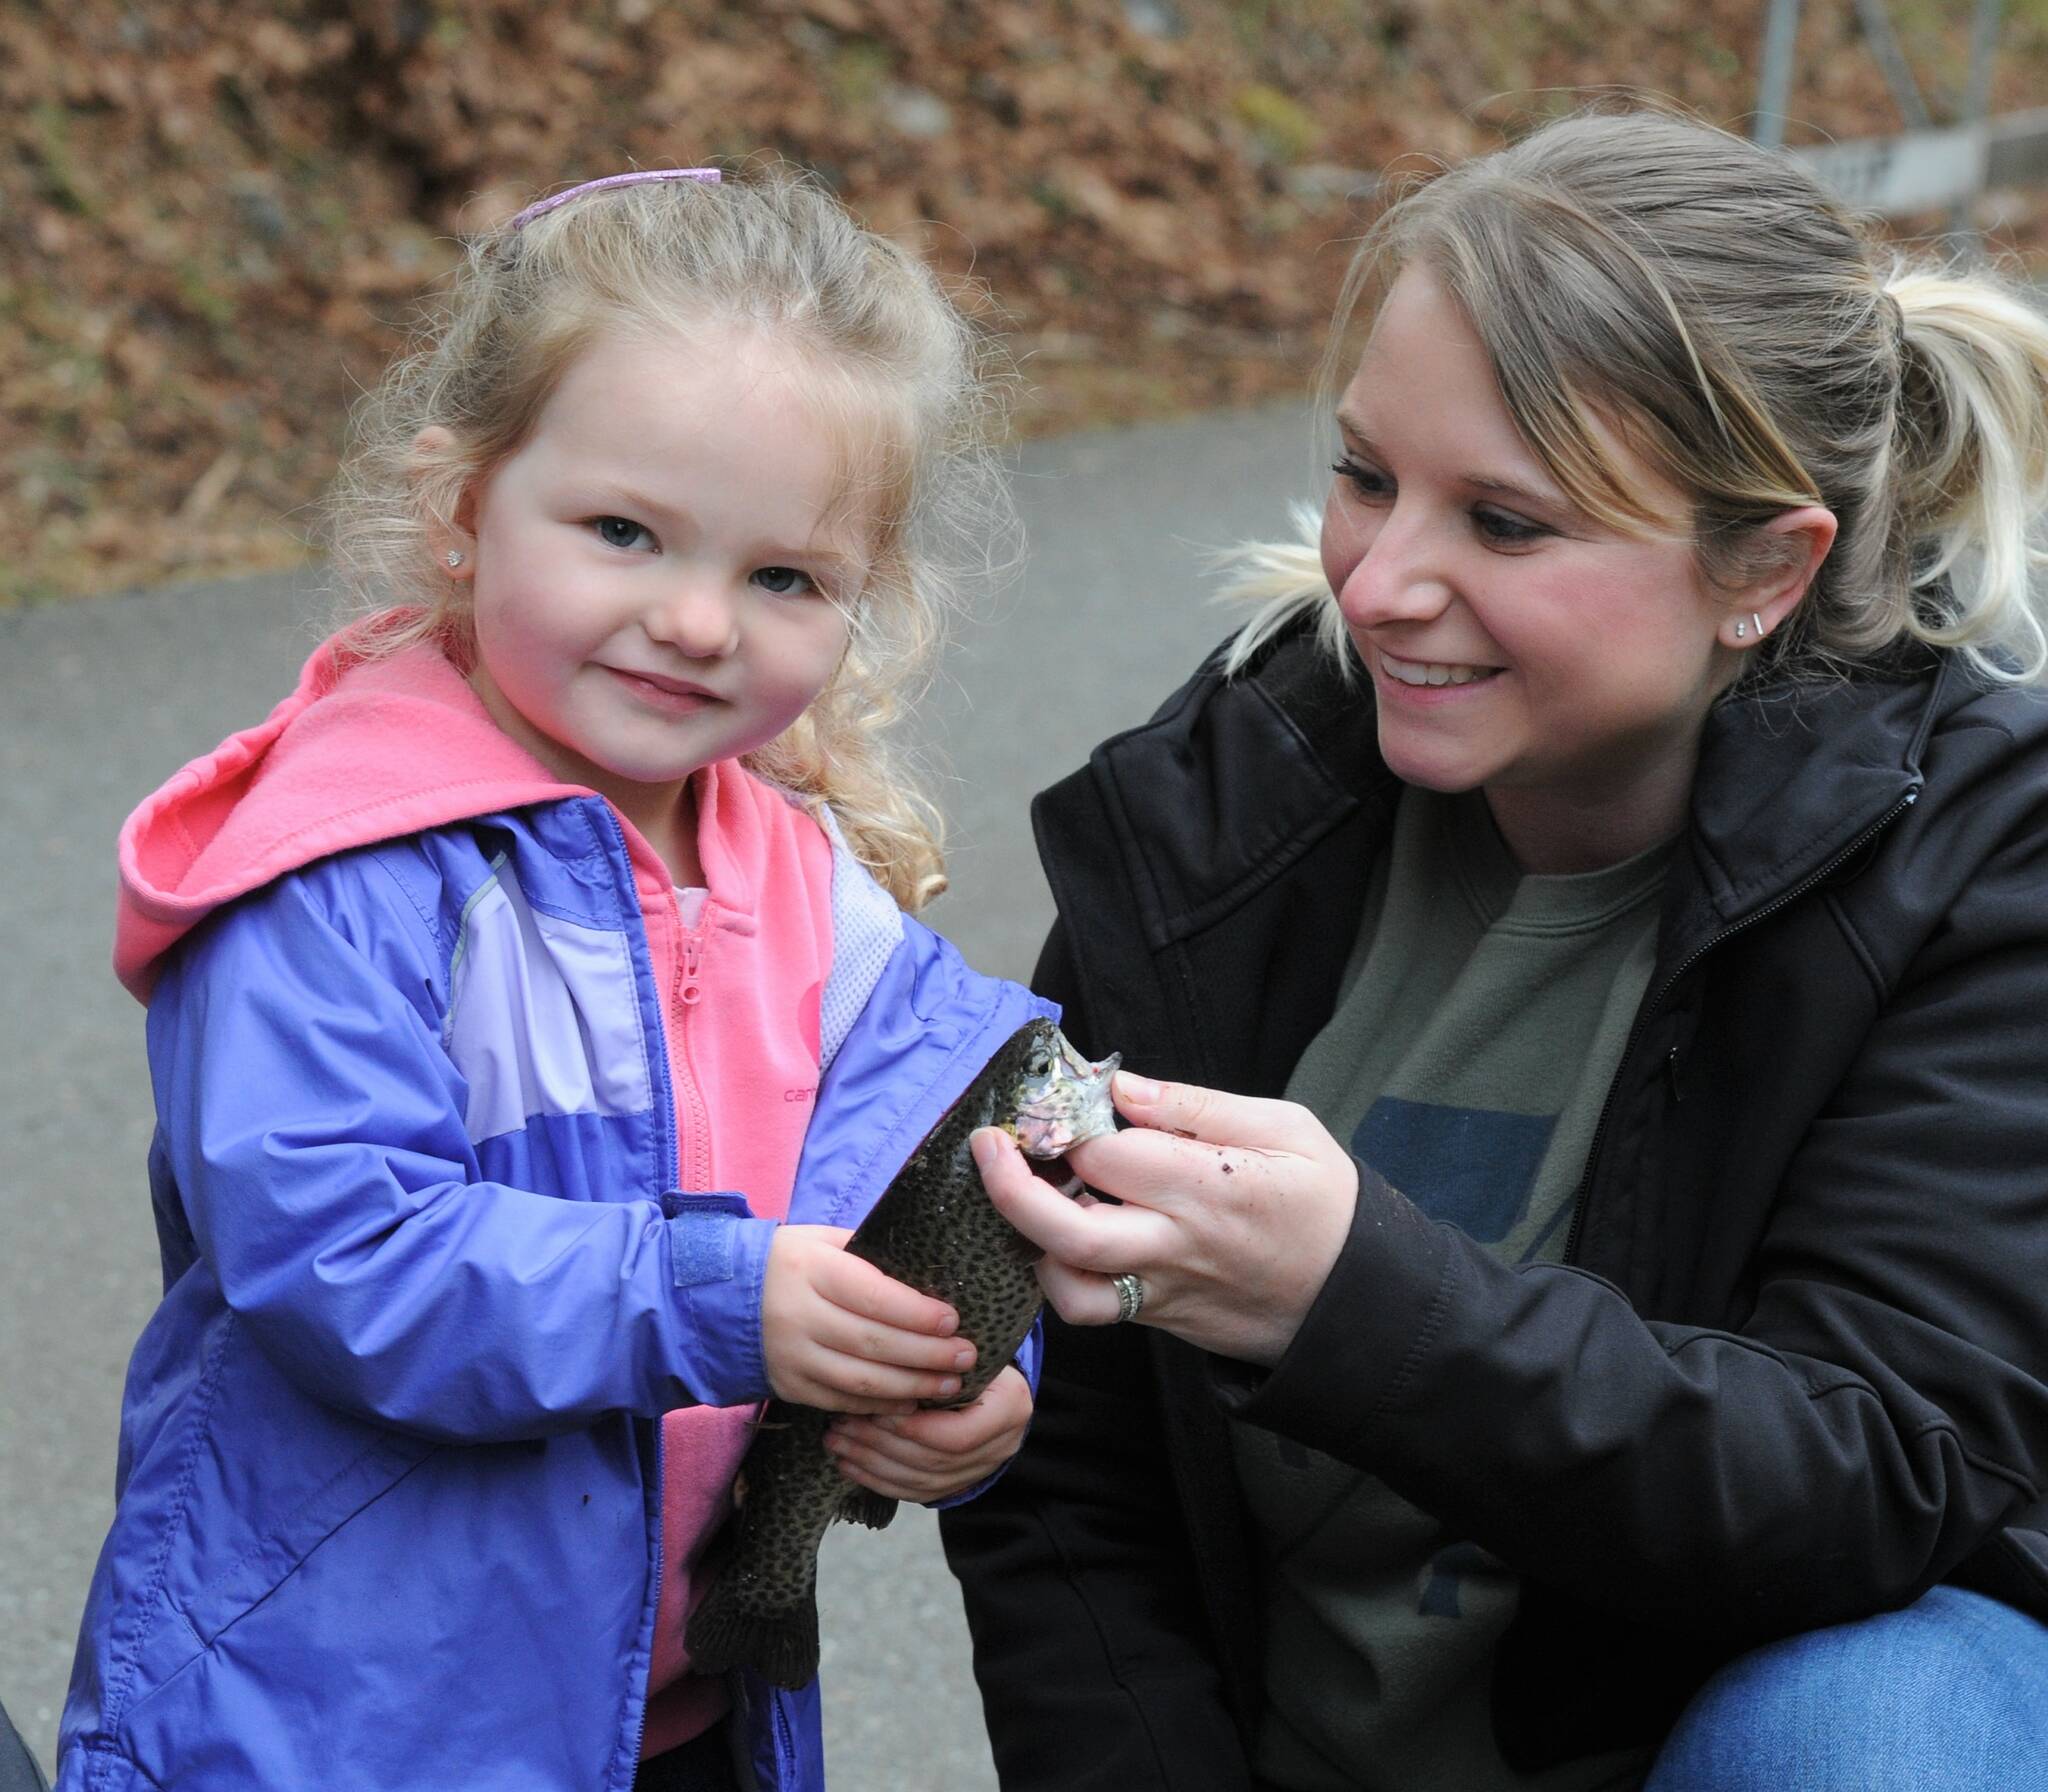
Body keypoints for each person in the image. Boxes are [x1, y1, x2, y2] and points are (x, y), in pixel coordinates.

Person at [940, 103, 2048, 1792]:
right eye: (1368, 476)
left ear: (1760, 567)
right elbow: (1067, 1480)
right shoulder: (1234, 805)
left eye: (1505, 524)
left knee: (1878, 1730)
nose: (1381, 584)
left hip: (1707, 1741)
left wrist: (1349, 1303)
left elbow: (1877, 1470)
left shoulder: (1980, 854)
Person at [61, 165, 1043, 1792]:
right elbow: (344, 1253)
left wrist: (967, 1380)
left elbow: (944, 1174)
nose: (694, 620)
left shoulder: (810, 889)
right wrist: (729, 1303)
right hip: (338, 1725)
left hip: (675, 1721)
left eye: (782, 577)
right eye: (622, 533)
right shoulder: (342, 867)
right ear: (460, 508)